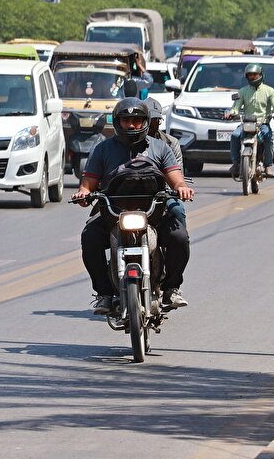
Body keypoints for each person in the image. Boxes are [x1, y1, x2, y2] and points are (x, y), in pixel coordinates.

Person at [72, 98, 194, 315]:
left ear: (145, 122)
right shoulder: (102, 150)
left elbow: (176, 178)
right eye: (126, 120)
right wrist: (83, 193)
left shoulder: (160, 148)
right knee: (89, 238)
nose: (131, 125)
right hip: (112, 213)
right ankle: (104, 294)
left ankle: (171, 289)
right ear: (117, 122)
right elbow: (87, 183)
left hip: (154, 212)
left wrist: (182, 188)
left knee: (179, 238)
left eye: (136, 120)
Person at [227, 63, 274, 178]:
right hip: (247, 123)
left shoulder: (269, 91)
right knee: (235, 135)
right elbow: (235, 107)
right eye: (250, 75)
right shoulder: (243, 91)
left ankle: (268, 165)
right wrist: (231, 113)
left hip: (262, 124)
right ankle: (236, 163)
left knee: (268, 137)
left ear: (261, 75)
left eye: (255, 74)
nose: (252, 77)